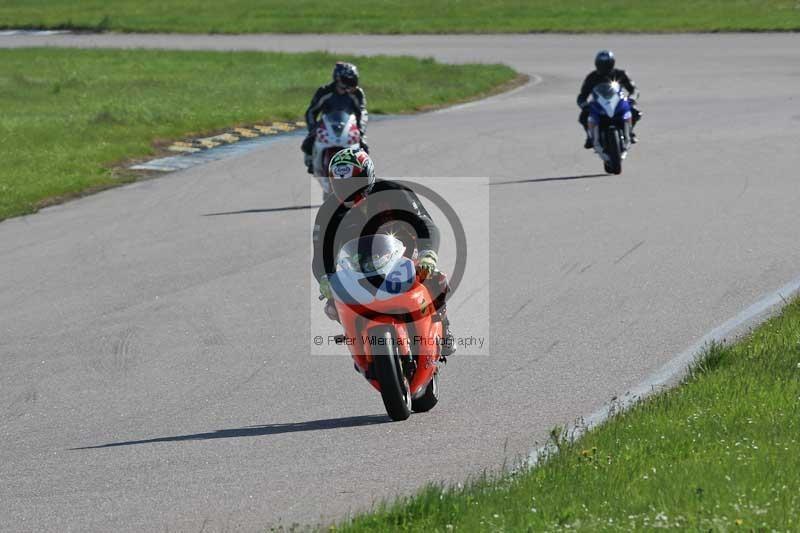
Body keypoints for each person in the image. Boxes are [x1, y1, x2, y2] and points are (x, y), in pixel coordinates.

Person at [312, 147, 456, 357]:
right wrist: (324, 278)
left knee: (436, 280)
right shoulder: (328, 210)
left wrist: (428, 255)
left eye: (353, 183)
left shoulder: (394, 191)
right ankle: (357, 339)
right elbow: (320, 252)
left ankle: (443, 328)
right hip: (357, 266)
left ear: (368, 176)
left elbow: (426, 224)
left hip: (402, 257)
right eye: (340, 184)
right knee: (332, 307)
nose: (347, 190)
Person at [301, 62, 369, 174]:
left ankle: (363, 169)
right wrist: (312, 129)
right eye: (348, 81)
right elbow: (311, 111)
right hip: (326, 126)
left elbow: (362, 112)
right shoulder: (324, 91)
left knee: (364, 146)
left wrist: (360, 130)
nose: (352, 85)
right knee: (307, 143)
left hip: (349, 126)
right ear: (338, 79)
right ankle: (312, 162)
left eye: (353, 81)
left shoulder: (357, 93)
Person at [577, 50, 642, 149]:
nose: (604, 67)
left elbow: (634, 89)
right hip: (599, 103)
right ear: (597, 64)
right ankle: (590, 137)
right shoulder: (592, 77)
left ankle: (630, 132)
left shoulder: (620, 74)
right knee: (583, 116)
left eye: (607, 64)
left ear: (612, 63)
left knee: (635, 111)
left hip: (617, 101)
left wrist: (632, 98)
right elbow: (582, 95)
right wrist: (584, 104)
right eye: (602, 64)